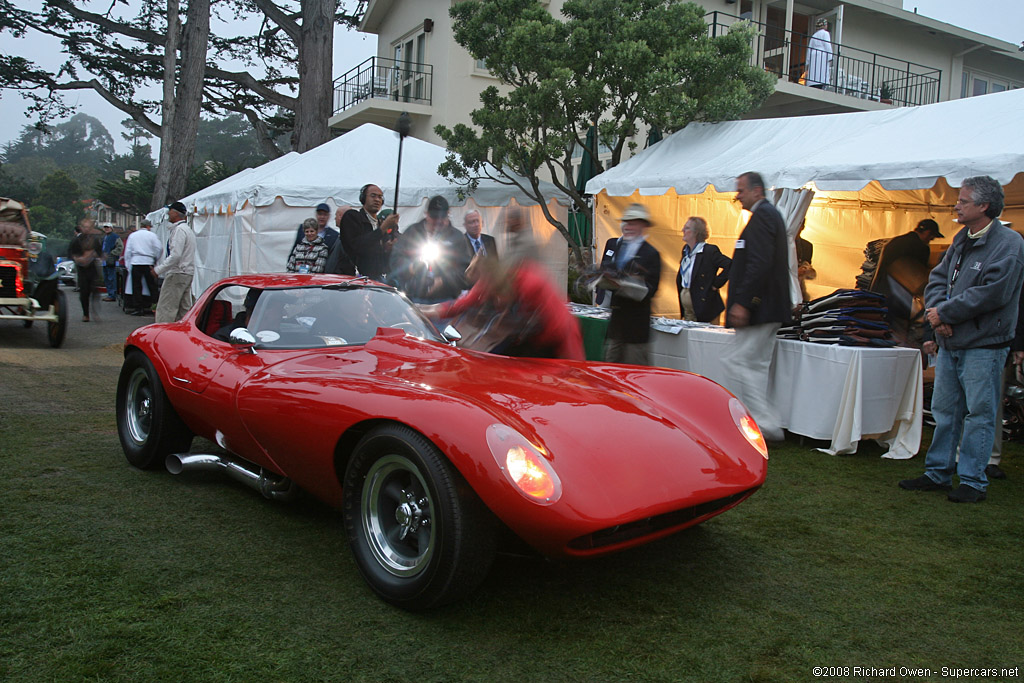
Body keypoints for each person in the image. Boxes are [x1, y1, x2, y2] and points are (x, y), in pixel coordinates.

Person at [900, 176, 1024, 503]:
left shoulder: (1009, 243)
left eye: (964, 201)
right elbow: (938, 278)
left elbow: (994, 293)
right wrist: (939, 315)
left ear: (984, 206)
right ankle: (938, 473)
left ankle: (973, 480)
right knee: (945, 409)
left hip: (985, 344)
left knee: (979, 413)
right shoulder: (961, 237)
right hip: (952, 340)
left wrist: (946, 314)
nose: (956, 205)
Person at [421, 208, 584, 360]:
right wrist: (421, 310)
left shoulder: (530, 281)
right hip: (532, 335)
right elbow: (460, 304)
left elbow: (553, 323)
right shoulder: (490, 282)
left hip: (556, 336)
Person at [723, 172, 792, 442]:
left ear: (757, 191)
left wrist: (743, 303)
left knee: (737, 361)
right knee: (756, 365)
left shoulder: (763, 217)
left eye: (740, 190)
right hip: (768, 308)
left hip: (760, 308)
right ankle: (759, 422)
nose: (737, 195)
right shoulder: (769, 216)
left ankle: (764, 421)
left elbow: (759, 264)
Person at [596, 203, 662, 365]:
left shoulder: (651, 254)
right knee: (610, 369)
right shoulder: (619, 247)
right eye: (626, 222)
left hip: (636, 328)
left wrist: (625, 284)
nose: (627, 226)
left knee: (635, 374)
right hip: (617, 325)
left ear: (643, 225)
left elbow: (651, 290)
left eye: (632, 223)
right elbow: (609, 271)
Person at [390, 195, 473, 304]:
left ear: (448, 215)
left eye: (442, 219)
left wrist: (443, 281)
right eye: (434, 219)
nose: (437, 223)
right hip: (414, 296)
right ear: (427, 214)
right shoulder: (412, 232)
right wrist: (411, 268)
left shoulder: (456, 237)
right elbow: (395, 259)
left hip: (446, 299)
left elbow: (465, 270)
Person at [869, 219, 942, 300]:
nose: (931, 240)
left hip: (880, 289)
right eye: (932, 237)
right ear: (928, 232)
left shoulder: (896, 241)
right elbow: (919, 276)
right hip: (898, 295)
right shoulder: (920, 247)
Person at [338, 184, 399, 281]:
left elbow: (379, 258)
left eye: (380, 197)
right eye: (373, 196)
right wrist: (382, 229)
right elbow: (357, 246)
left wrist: (387, 249)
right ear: (363, 198)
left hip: (380, 278)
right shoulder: (353, 217)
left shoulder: (380, 224)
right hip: (358, 279)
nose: (377, 200)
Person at [676, 216, 731, 323]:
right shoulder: (686, 250)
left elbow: (730, 265)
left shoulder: (709, 251)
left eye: (686, 228)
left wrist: (716, 284)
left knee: (704, 337)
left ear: (696, 232)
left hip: (706, 308)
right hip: (688, 308)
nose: (683, 230)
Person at [154, 200, 196, 323]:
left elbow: (176, 255)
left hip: (178, 272)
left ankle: (162, 334)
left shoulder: (179, 230)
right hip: (187, 272)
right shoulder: (187, 229)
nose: (168, 214)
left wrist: (158, 270)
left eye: (170, 211)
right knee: (184, 308)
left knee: (166, 308)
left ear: (176, 213)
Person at [123, 220, 161, 316]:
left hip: (136, 261)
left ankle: (138, 308)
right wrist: (155, 260)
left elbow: (127, 251)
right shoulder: (152, 235)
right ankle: (155, 307)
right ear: (148, 226)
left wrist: (128, 265)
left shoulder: (133, 236)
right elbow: (159, 248)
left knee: (136, 286)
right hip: (148, 261)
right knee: (152, 286)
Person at [68, 219, 102, 322]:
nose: (87, 229)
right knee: (84, 292)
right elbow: (70, 253)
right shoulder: (76, 240)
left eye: (89, 227)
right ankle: (85, 313)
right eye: (85, 227)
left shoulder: (95, 240)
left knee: (95, 291)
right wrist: (78, 258)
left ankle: (94, 311)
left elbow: (100, 253)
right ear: (81, 228)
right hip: (82, 269)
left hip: (92, 267)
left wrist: (95, 255)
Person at [806, 18, 833, 89]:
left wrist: (808, 61)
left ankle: (812, 83)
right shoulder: (825, 33)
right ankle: (821, 83)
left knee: (814, 72)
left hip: (813, 55)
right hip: (822, 54)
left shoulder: (814, 35)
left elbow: (809, 48)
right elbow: (827, 45)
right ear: (824, 25)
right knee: (821, 71)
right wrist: (830, 56)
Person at [100, 223, 123, 302]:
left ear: (111, 228)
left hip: (111, 260)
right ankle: (110, 294)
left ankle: (112, 295)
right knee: (107, 278)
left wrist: (112, 253)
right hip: (104, 261)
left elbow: (120, 247)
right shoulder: (105, 237)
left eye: (108, 227)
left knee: (111, 278)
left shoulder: (115, 237)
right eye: (105, 227)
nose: (106, 229)